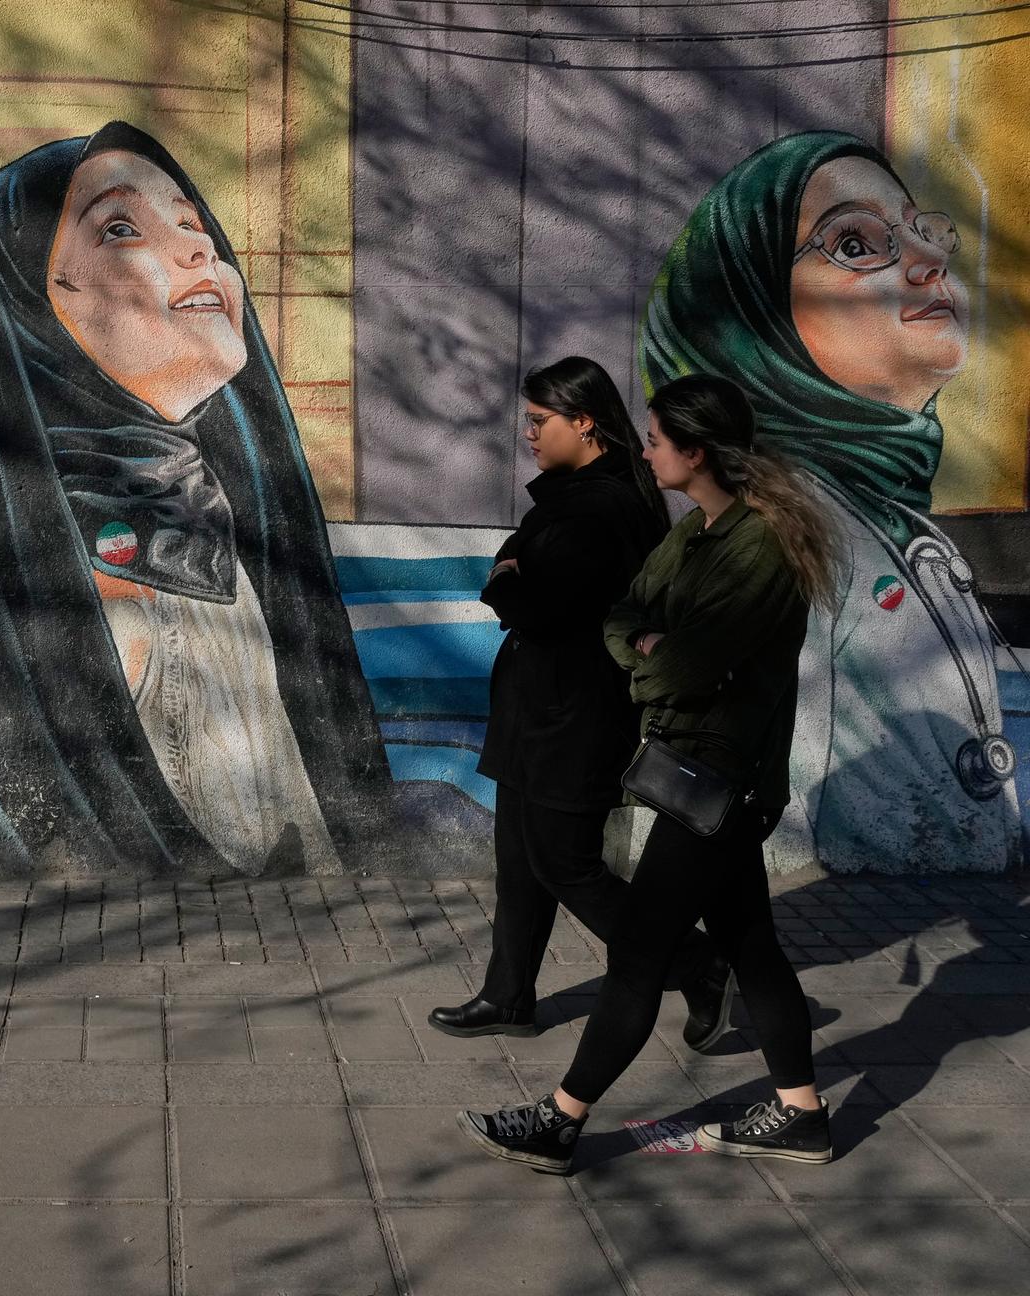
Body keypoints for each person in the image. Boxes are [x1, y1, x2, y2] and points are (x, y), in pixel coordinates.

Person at [0, 121, 390, 874]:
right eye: (122, 228)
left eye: (194, 224)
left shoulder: (229, 527)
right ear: (31, 303)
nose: (200, 249)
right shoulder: (19, 576)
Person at [457, 374, 845, 1173]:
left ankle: (560, 1123)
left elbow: (685, 666)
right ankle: (801, 1112)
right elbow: (624, 614)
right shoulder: (700, 527)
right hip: (695, 772)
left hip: (720, 778)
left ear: (696, 450)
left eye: (660, 439)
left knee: (636, 957)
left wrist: (654, 658)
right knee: (753, 943)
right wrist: (647, 646)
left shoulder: (758, 546)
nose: (648, 451)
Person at [639, 131, 1019, 873]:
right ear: (754, 322)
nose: (930, 258)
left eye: (920, 228)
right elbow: (770, 749)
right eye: (855, 244)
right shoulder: (787, 525)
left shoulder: (881, 506)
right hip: (842, 900)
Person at [428, 356, 731, 1048]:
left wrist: (507, 583)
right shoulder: (577, 497)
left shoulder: (605, 507)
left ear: (584, 422)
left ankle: (698, 963)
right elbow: (525, 565)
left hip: (578, 717)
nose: (528, 434)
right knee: (519, 862)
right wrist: (514, 570)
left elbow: (543, 605)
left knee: (566, 864)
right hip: (539, 711)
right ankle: (508, 997)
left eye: (540, 421)